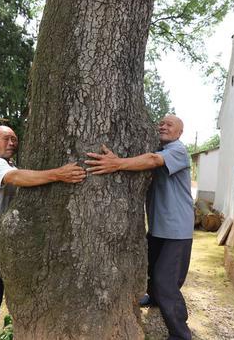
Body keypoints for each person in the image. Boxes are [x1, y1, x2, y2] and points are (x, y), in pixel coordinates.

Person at [0, 125, 86, 340]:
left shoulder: (6, 165)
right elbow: (17, 178)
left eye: (14, 139)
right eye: (5, 138)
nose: (11, 143)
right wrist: (59, 174)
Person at [85, 115, 194, 340]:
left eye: (169, 124)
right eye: (161, 123)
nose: (163, 126)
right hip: (158, 227)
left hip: (176, 230)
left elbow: (153, 160)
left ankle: (181, 334)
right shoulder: (157, 148)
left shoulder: (178, 150)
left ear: (179, 132)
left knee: (166, 281)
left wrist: (117, 163)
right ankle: (154, 299)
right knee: (152, 271)